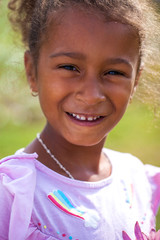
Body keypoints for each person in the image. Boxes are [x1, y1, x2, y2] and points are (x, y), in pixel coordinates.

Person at [0, 0, 160, 239]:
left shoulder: (136, 180)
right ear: (32, 71)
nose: (91, 95)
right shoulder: (13, 195)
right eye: (69, 67)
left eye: (114, 72)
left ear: (136, 79)